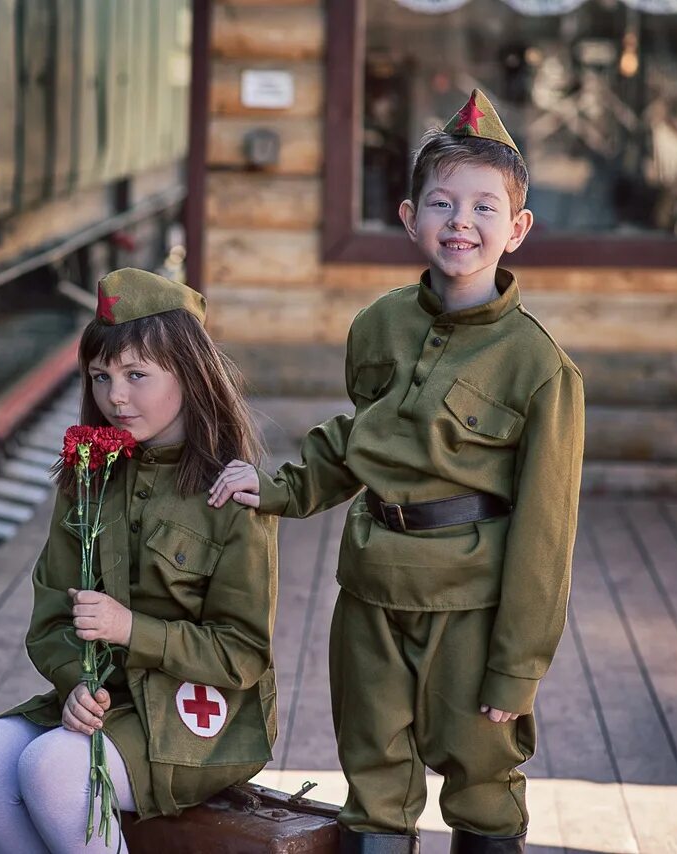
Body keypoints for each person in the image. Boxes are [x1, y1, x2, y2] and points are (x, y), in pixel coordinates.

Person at [209, 90, 584, 854]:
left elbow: (546, 538)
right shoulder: (379, 326)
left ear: (517, 230)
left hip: (469, 611)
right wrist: (275, 487)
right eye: (443, 203)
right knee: (373, 784)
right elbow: (358, 442)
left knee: (483, 784)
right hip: (372, 593)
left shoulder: (539, 367)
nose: (461, 223)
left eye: (485, 209)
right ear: (412, 219)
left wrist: (516, 671)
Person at [0, 268, 281, 853]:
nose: (115, 396)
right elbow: (52, 617)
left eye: (136, 375)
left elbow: (243, 654)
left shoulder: (232, 494)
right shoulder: (88, 474)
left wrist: (132, 630)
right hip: (107, 703)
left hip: (197, 720)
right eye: (100, 377)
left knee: (53, 769)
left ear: (191, 375)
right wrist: (76, 683)